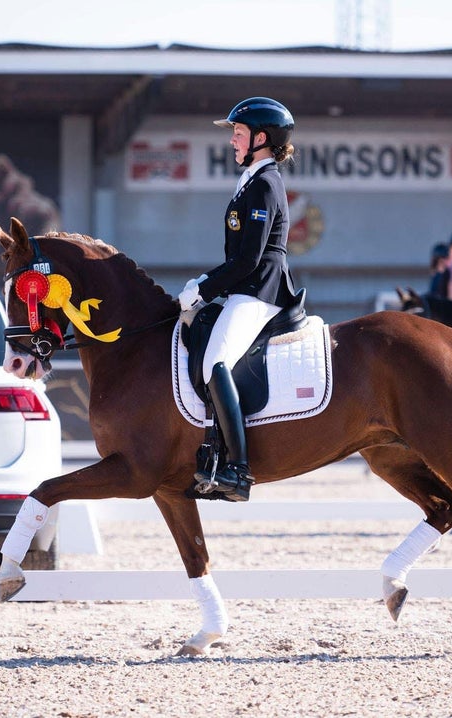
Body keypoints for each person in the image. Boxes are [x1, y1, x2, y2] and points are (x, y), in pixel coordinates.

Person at [177, 97, 301, 502]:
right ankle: (213, 452)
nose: (231, 139)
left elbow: (248, 259)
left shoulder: (266, 184)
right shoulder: (251, 179)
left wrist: (204, 286)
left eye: (238, 132)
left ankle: (238, 470)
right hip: (243, 286)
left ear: (261, 138)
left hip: (259, 289)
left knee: (216, 363)